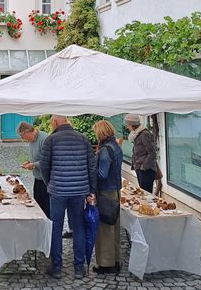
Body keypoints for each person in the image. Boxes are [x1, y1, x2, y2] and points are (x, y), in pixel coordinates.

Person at [40, 115, 97, 279]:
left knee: (56, 228)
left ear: (55, 122)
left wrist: (49, 182)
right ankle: (79, 268)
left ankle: (56, 267)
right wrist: (91, 190)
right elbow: (91, 166)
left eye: (52, 122)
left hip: (58, 190)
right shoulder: (83, 139)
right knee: (78, 227)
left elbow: (44, 166)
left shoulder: (50, 140)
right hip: (79, 190)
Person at [91, 120, 123, 274]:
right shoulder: (116, 146)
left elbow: (102, 174)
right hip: (116, 190)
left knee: (104, 229)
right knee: (114, 227)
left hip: (105, 192)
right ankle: (116, 261)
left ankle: (106, 264)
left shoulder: (105, 150)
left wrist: (90, 170)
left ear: (101, 133)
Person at [17, 121, 50, 218]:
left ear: (27, 132)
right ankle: (39, 231)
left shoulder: (44, 139)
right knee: (37, 208)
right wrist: (28, 162)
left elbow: (48, 160)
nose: (23, 140)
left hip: (47, 181)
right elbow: (37, 157)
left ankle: (48, 231)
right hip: (38, 179)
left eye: (22, 137)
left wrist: (33, 165)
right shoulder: (31, 141)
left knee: (46, 210)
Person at [124, 114, 156, 193]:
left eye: (127, 125)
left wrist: (143, 167)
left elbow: (152, 153)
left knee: (146, 193)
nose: (127, 127)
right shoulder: (136, 134)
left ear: (132, 124)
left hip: (146, 170)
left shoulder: (144, 134)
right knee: (143, 192)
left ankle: (147, 206)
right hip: (140, 168)